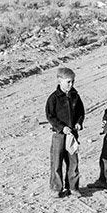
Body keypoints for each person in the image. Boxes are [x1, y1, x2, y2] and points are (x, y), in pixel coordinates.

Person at [44, 66, 85, 198]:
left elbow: (81, 112)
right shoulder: (53, 98)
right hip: (59, 134)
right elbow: (50, 116)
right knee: (56, 161)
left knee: (73, 161)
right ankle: (56, 188)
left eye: (73, 81)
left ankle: (73, 187)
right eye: (68, 82)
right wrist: (61, 127)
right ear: (59, 81)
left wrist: (79, 123)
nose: (71, 84)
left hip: (72, 134)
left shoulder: (75, 96)